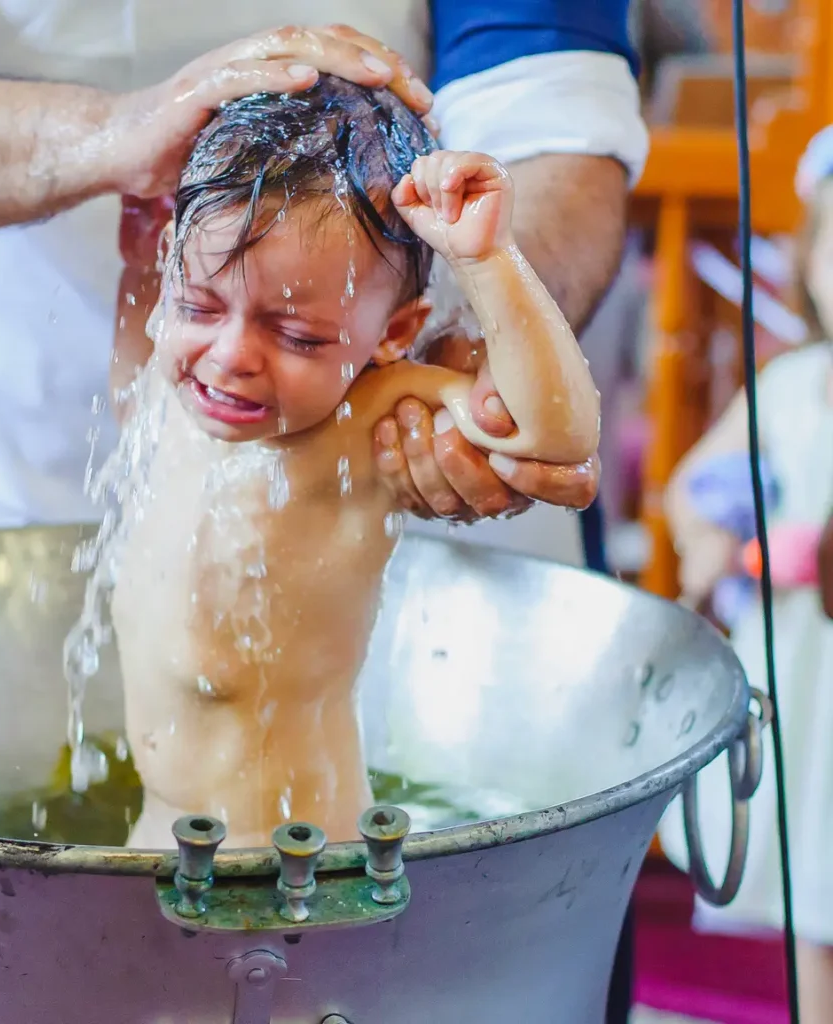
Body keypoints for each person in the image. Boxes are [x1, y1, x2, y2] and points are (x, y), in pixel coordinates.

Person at [0, 2, 633, 562]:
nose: (232, 357)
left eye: (283, 333)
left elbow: (553, 120)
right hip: (23, 479)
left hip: (412, 549)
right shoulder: (153, 369)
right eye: (197, 306)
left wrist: (478, 340)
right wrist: (111, 138)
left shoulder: (390, 386)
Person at [108, 78, 598, 849]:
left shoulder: (362, 418)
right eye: (199, 306)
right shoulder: (169, 396)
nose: (231, 357)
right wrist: (143, 260)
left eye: (299, 337)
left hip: (301, 857)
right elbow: (138, 349)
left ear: (395, 331)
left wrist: (489, 261)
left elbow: (555, 435)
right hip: (155, 835)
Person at [658, 127, 833, 1019]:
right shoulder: (794, 385)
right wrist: (738, 542)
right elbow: (690, 487)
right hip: (804, 661)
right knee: (811, 855)